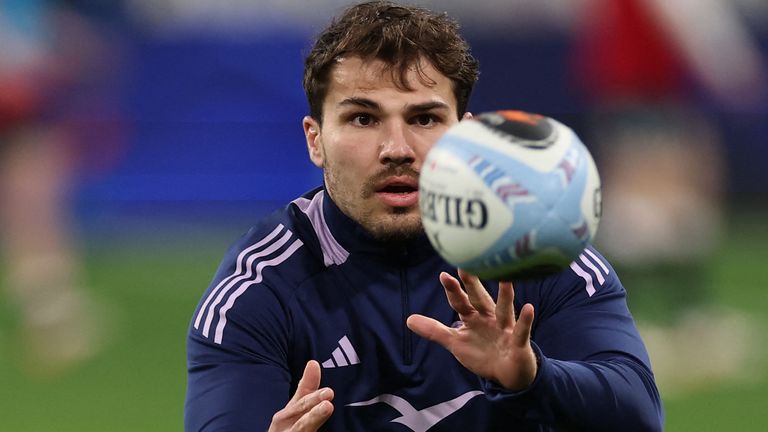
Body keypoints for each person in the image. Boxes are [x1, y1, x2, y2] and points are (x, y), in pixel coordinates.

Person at [184, 2, 663, 430]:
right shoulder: (260, 288)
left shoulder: (538, 249)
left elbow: (640, 414)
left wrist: (534, 376)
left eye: (424, 119)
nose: (397, 150)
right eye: (363, 118)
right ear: (315, 140)